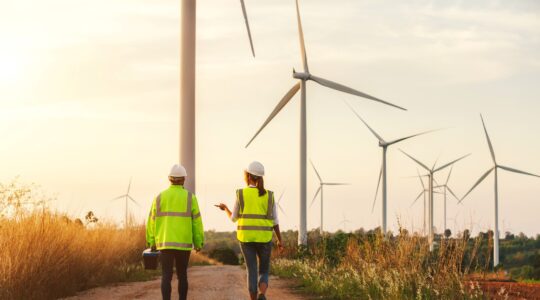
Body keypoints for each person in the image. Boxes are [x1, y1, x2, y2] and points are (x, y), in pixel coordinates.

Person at [216, 161, 284, 300]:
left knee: (251, 270)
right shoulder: (269, 195)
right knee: (264, 270)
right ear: (260, 177)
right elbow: (275, 221)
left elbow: (234, 218)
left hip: (246, 238)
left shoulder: (241, 194)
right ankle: (262, 294)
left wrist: (225, 209)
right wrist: (279, 240)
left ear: (247, 176)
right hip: (264, 238)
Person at [146, 164, 204, 300]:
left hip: (164, 243)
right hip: (183, 244)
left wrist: (151, 241)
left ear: (169, 178)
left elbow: (151, 221)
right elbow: (196, 222)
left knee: (166, 275)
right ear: (184, 179)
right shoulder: (190, 197)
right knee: (182, 275)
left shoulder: (159, 197)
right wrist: (198, 242)